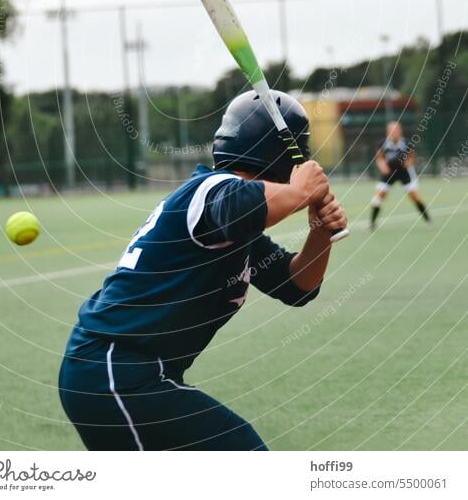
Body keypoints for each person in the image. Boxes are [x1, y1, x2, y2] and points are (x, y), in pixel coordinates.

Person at [59, 90, 347, 451]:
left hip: (129, 376)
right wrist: (300, 190)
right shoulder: (212, 191)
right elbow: (246, 204)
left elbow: (296, 286)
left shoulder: (233, 230)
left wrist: (320, 234)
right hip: (115, 372)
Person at [370, 120, 431, 229]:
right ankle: (372, 224)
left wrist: (408, 163)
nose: (394, 132)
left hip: (403, 172)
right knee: (377, 198)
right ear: (388, 132)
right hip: (389, 172)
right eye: (392, 130)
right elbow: (379, 158)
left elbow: (412, 158)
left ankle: (428, 221)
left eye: (397, 130)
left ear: (400, 131)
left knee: (415, 197)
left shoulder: (407, 143)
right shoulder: (382, 143)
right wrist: (383, 166)